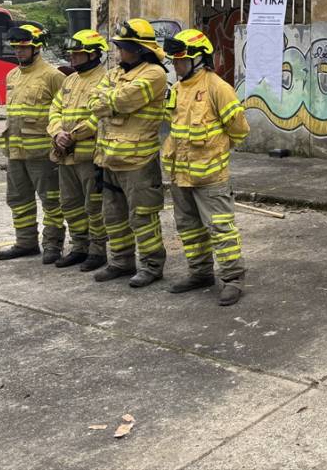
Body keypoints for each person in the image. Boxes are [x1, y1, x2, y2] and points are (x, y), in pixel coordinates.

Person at [160, 29, 250, 306]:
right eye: (174, 60)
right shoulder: (176, 90)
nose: (176, 65)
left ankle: (232, 279)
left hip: (210, 177)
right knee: (188, 228)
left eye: (181, 60)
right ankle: (199, 273)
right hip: (180, 175)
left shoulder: (218, 88)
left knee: (221, 228)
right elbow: (173, 126)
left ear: (199, 59)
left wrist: (217, 150)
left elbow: (239, 130)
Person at [87, 18, 169, 288]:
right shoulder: (115, 73)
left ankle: (151, 265)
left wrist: (108, 100)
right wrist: (109, 100)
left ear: (139, 49)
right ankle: (121, 261)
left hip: (138, 161)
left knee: (142, 216)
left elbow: (122, 100)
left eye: (123, 47)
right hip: (109, 158)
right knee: (113, 215)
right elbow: (93, 100)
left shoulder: (155, 74)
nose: (119, 52)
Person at [0, 24, 66, 262]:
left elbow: (64, 112)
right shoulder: (12, 75)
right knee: (18, 199)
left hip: (42, 153)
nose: (19, 52)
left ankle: (53, 245)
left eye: (24, 47)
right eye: (16, 47)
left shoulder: (53, 76)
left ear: (37, 47)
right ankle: (25, 243)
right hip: (15, 152)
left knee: (52, 200)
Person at [47, 29, 109, 271]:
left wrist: (72, 136)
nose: (72, 57)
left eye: (78, 53)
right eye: (71, 53)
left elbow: (100, 117)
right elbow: (54, 110)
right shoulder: (70, 80)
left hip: (89, 155)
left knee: (94, 205)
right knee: (70, 204)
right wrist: (56, 133)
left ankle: (97, 250)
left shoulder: (106, 79)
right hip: (65, 155)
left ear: (93, 54)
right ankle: (79, 247)